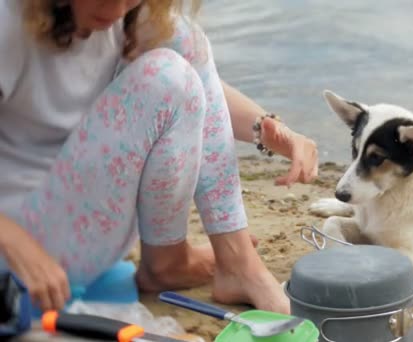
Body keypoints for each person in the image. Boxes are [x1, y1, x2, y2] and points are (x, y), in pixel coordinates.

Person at [0, 0, 318, 314]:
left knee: (183, 39)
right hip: (18, 262)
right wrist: (18, 245)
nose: (115, 11)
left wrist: (266, 128)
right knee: (168, 73)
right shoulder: (7, 23)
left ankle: (236, 264)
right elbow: (172, 82)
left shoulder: (126, 17)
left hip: (81, 239)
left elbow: (194, 81)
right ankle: (176, 263)